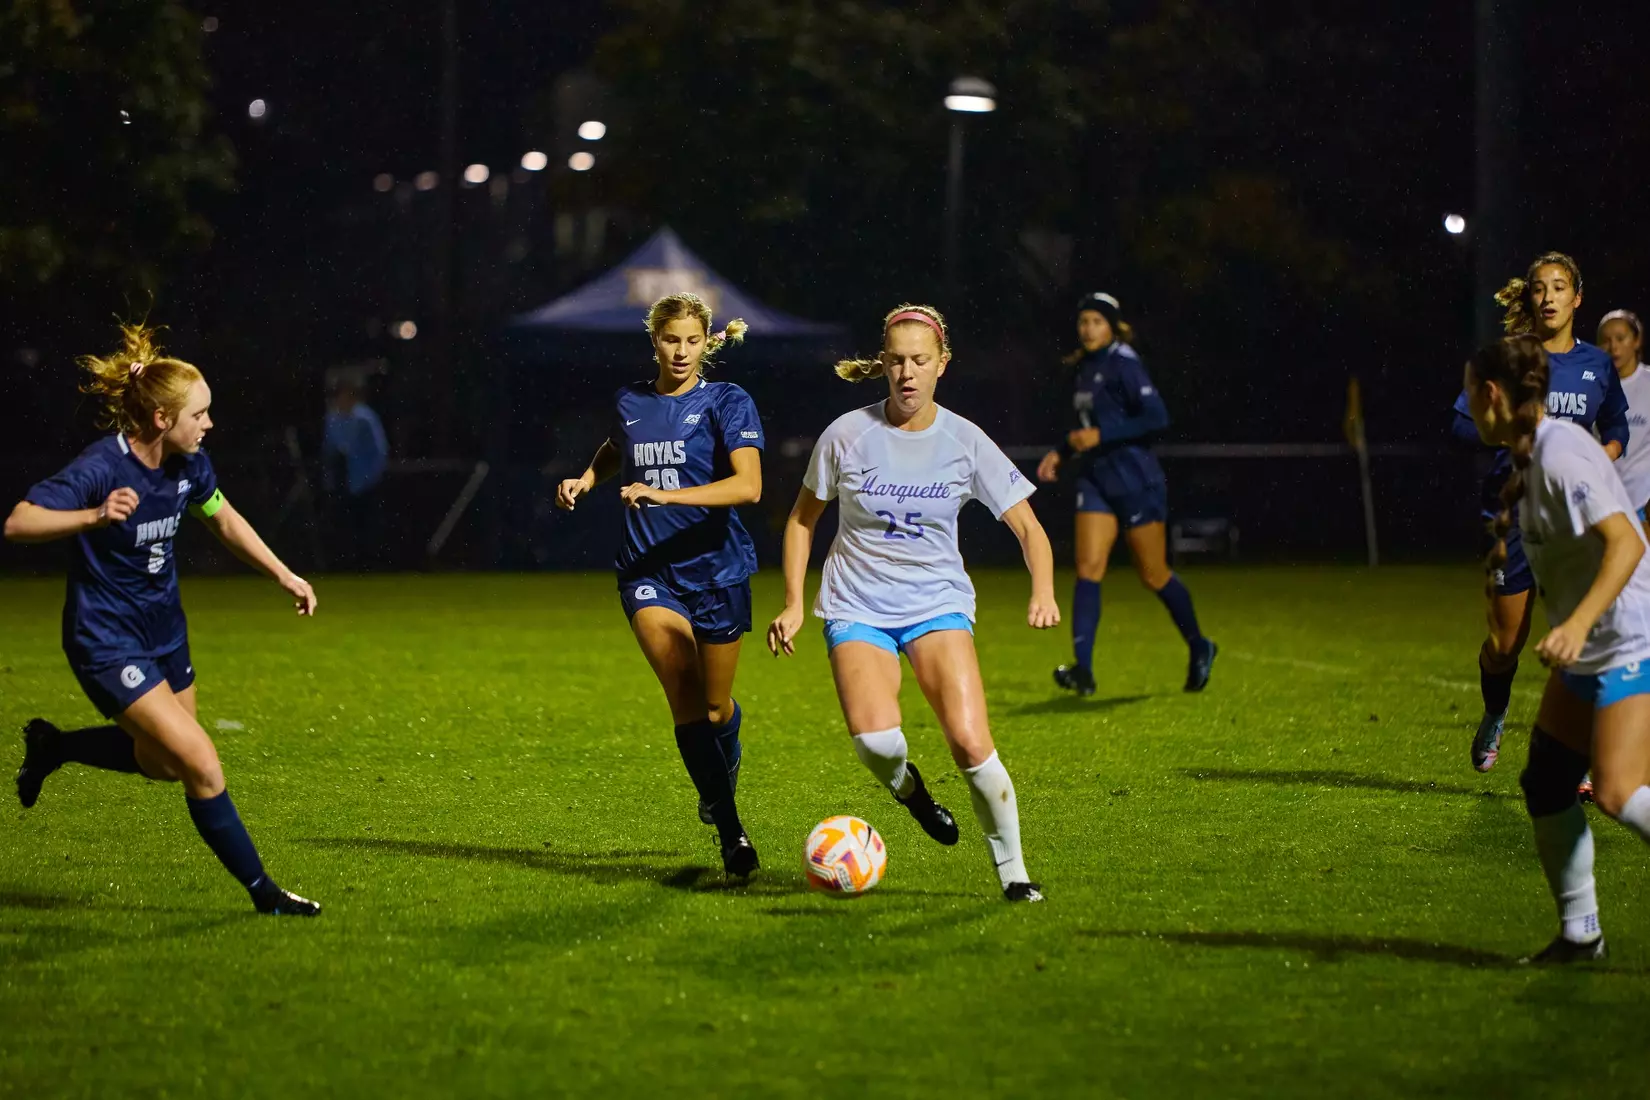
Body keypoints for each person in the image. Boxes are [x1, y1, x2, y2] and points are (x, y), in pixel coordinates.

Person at [6, 323, 321, 916]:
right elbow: (18, 522)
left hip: (164, 632)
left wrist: (282, 574)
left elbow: (222, 518)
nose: (209, 424)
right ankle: (266, 895)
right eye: (199, 414)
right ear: (161, 419)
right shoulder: (103, 466)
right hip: (106, 640)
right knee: (200, 761)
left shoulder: (189, 465)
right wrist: (93, 516)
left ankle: (54, 746)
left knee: (162, 764)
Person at [767, 304, 1060, 903]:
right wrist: (794, 602)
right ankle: (909, 790)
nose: (907, 373)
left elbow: (1030, 529)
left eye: (920, 361)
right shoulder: (845, 434)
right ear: (882, 363)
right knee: (877, 745)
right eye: (897, 361)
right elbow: (801, 521)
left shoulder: (964, 440)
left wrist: (1044, 591)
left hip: (935, 604)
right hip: (856, 604)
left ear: (942, 364)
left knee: (971, 743)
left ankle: (1014, 875)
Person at [555, 294, 762, 878]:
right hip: (648, 571)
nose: (681, 351)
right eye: (671, 340)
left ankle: (724, 764)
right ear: (655, 342)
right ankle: (733, 834)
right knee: (684, 691)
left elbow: (748, 487)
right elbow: (618, 447)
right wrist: (587, 477)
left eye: (692, 341)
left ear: (706, 343)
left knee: (716, 708)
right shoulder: (631, 400)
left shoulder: (727, 401)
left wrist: (666, 495)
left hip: (717, 571)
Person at [1461, 333, 1650, 964]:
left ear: (1492, 395)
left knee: (1618, 793)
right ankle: (1580, 934)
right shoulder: (1528, 457)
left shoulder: (1560, 453)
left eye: (1469, 392)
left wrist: (1575, 625)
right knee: (1546, 781)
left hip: (1630, 636)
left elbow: (1627, 543)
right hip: (1593, 643)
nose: (1466, 405)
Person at [1453, 253, 1629, 773]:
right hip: (1512, 513)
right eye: (1538, 288)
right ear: (1528, 299)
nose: (1548, 296)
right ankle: (1495, 710)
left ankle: (1588, 756)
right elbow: (1462, 424)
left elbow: (1617, 427)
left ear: (1577, 298)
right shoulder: (1510, 358)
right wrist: (1517, 432)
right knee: (1506, 645)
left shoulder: (1597, 364)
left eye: (1559, 287)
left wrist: (1603, 455)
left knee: (1586, 634)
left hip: (1571, 517)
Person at [1036, 292, 1216, 697]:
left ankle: (1199, 644)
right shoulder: (1084, 367)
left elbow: (1156, 417)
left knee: (1153, 574)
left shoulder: (1125, 363)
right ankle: (1083, 670)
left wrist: (1102, 435)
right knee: (1088, 568)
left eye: (1097, 322)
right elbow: (1087, 425)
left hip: (1135, 480)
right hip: (1096, 479)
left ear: (1113, 326)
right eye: (1083, 322)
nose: (1088, 329)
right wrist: (1061, 452)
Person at [321, 379, 389, 570]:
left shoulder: (366, 419)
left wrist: (370, 479)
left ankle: (368, 563)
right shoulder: (332, 419)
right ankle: (344, 563)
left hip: (364, 482)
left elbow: (379, 451)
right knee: (342, 524)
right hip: (341, 481)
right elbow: (327, 451)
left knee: (366, 525)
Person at [1598, 309, 1650, 524]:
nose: (1613, 347)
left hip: (1642, 505)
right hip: (1602, 505)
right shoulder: (1592, 387)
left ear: (1637, 341)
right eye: (1606, 340)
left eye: (1620, 338)